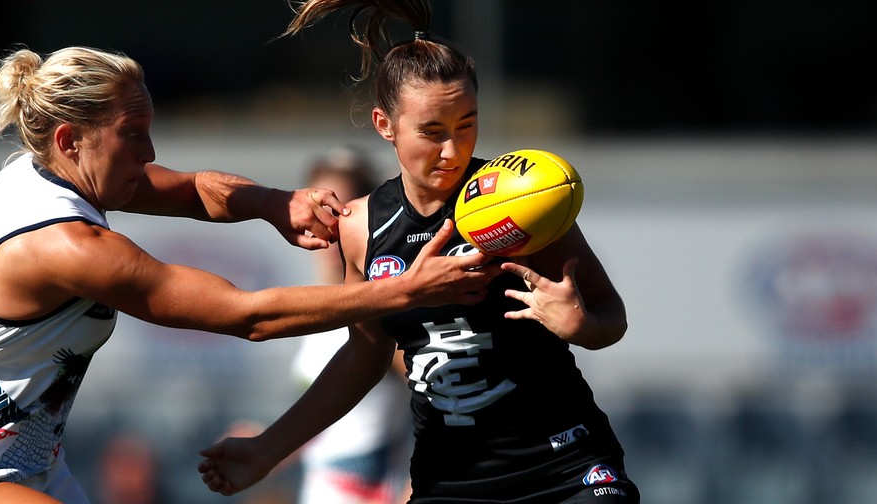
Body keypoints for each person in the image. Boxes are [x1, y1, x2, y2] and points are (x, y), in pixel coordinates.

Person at [0, 45, 497, 504]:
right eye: (134, 135)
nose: (150, 153)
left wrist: (277, 203)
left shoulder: (44, 173)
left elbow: (190, 190)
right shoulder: (64, 244)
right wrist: (403, 290)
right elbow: (250, 316)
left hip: (19, 462)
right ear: (73, 139)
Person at [198, 1, 641, 502]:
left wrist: (582, 324)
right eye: (432, 132)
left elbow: (611, 314)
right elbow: (364, 356)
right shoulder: (362, 225)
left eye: (467, 125)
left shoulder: (520, 200)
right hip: (449, 482)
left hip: (565, 467)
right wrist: (267, 449)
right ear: (385, 125)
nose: (452, 150)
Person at [289, 146, 412, 504]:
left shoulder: (377, 307)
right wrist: (265, 444)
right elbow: (333, 425)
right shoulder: (318, 301)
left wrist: (419, 484)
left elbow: (444, 398)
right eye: (317, 208)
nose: (326, 224)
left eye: (340, 212)